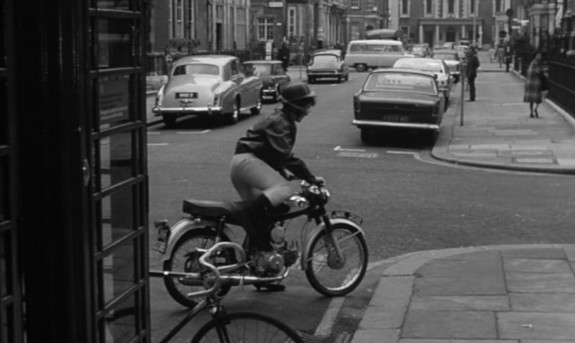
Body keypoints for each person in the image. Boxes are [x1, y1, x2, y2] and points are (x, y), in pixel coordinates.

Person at [230, 82, 323, 275]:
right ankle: (247, 215)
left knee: (265, 218)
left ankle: (264, 272)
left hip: (245, 164)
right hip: (247, 163)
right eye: (305, 105)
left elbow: (272, 155)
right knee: (285, 189)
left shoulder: (280, 119)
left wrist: (285, 172)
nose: (307, 110)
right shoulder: (280, 121)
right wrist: (310, 178)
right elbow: (285, 156)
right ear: (295, 105)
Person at [524, 51, 546, 118]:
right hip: (536, 82)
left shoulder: (532, 63)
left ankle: (531, 112)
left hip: (530, 82)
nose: (540, 57)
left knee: (531, 99)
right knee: (539, 97)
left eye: (540, 55)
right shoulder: (536, 63)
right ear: (535, 56)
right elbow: (539, 72)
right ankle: (535, 109)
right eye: (538, 55)